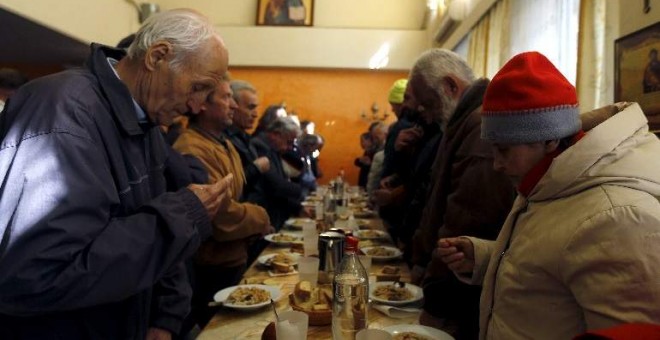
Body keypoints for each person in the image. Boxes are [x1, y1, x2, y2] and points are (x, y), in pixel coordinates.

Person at [0, 9, 231, 340]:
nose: (196, 106)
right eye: (198, 87)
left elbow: (141, 222)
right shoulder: (62, 114)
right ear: (158, 56)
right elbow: (37, 274)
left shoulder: (145, 121)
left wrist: (165, 316)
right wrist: (183, 213)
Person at [438, 51, 660, 339]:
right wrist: (484, 257)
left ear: (550, 139)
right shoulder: (549, 177)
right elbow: (551, 259)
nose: (496, 164)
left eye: (503, 149)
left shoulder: (617, 217)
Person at [408, 49, 515, 339]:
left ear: (450, 86)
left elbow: (466, 222)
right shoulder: (462, 121)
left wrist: (436, 297)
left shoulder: (479, 125)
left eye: (426, 102)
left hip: (459, 294)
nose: (421, 112)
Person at [173, 75, 271, 327]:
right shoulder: (192, 147)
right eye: (227, 98)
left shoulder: (223, 143)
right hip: (211, 265)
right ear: (203, 104)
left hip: (232, 256)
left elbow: (235, 197)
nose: (234, 105)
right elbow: (219, 212)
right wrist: (260, 217)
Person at [250, 116, 307, 230]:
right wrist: (302, 190)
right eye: (289, 142)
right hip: (263, 214)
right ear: (276, 134)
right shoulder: (260, 146)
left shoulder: (272, 148)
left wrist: (298, 207)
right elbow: (276, 186)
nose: (289, 147)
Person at [227, 80, 271, 200]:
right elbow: (230, 185)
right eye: (250, 108)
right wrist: (256, 168)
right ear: (232, 106)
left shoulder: (245, 137)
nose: (256, 114)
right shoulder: (224, 139)